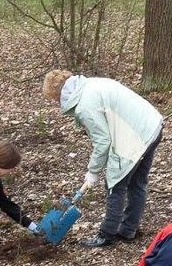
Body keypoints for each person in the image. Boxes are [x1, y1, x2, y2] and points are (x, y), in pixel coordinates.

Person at [42, 70, 163, 247]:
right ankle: (128, 229)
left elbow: (103, 141)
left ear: (60, 94)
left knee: (115, 184)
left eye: (54, 100)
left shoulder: (85, 106)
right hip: (151, 125)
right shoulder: (90, 84)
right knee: (137, 182)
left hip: (134, 133)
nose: (55, 104)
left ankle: (107, 235)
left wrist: (93, 172)